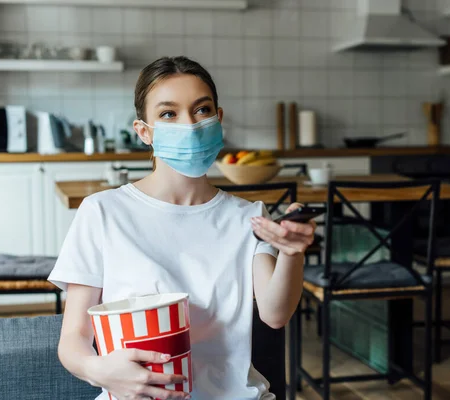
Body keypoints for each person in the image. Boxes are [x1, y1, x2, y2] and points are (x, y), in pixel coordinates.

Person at [48, 56, 316, 400]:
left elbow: (275, 314)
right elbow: (73, 340)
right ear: (144, 132)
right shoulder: (102, 212)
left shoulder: (247, 216)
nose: (189, 124)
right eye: (168, 114)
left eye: (202, 110)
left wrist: (292, 254)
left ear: (219, 119)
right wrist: (98, 369)